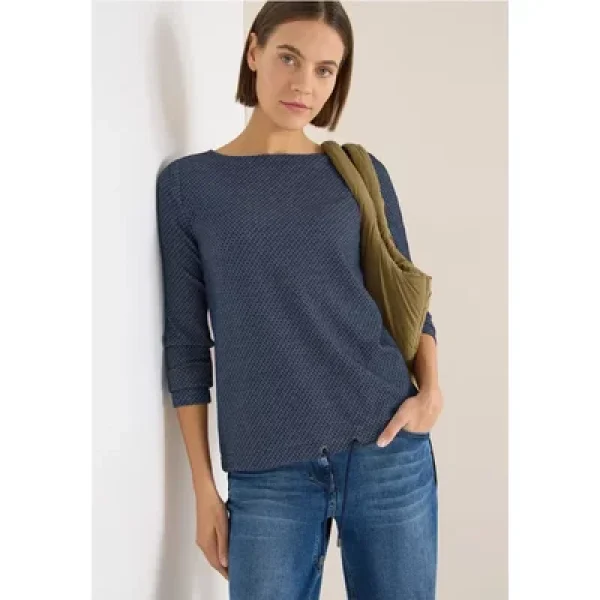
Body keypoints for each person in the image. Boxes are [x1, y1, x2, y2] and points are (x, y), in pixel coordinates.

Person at [156, 2, 444, 598]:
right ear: (254, 51)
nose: (303, 84)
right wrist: (204, 490)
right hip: (268, 471)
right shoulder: (189, 187)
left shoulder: (360, 174)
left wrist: (431, 393)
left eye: (324, 70)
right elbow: (186, 346)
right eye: (289, 58)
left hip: (386, 447)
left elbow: (407, 300)